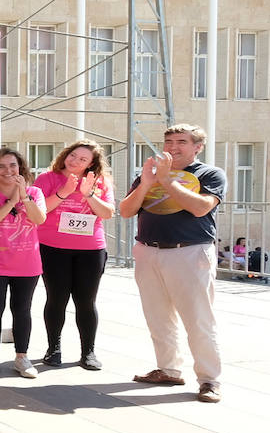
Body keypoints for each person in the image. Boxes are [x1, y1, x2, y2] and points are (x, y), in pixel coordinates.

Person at [118, 124, 225, 403]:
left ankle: (209, 380)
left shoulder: (209, 174)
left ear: (197, 147)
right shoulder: (149, 174)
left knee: (198, 319)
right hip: (148, 250)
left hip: (189, 253)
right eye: (168, 141)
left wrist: (166, 181)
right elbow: (126, 211)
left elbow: (201, 207)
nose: (173, 147)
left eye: (181, 141)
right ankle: (168, 369)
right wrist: (146, 183)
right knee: (158, 317)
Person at [35, 140, 115, 371]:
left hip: (90, 250)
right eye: (73, 155)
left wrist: (88, 194)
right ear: (65, 155)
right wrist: (64, 193)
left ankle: (88, 351)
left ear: (91, 164)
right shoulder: (47, 179)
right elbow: (40, 210)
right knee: (56, 299)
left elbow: (108, 213)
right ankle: (54, 348)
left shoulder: (99, 182)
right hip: (53, 247)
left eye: (83, 159)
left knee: (86, 301)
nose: (75, 161)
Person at [0, 148, 46, 378]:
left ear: (20, 167)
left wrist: (23, 197)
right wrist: (11, 202)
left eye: (12, 165)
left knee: (22, 309)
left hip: (27, 263)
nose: (8, 171)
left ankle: (22, 357)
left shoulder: (35, 192)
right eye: (2, 166)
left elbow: (39, 219)